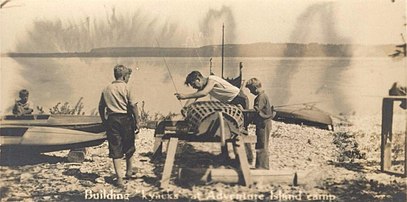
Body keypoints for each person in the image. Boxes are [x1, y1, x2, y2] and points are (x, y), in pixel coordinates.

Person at [99, 64, 140, 188]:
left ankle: (119, 178)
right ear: (124, 76)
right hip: (126, 119)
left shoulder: (106, 89)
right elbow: (133, 105)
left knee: (115, 148)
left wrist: (104, 120)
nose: (129, 78)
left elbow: (101, 107)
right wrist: (137, 121)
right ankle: (128, 171)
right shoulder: (127, 88)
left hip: (112, 119)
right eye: (128, 76)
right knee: (129, 145)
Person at [175, 71, 249, 110]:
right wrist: (185, 107)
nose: (193, 87)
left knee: (244, 123)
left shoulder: (212, 80)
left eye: (193, 84)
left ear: (198, 79)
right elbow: (194, 96)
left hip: (239, 98)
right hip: (231, 102)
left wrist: (184, 96)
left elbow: (204, 93)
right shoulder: (205, 85)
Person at [245, 78, 274, 169]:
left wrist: (244, 111)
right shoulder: (262, 96)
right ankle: (260, 165)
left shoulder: (261, 97)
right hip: (262, 123)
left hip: (263, 124)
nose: (250, 92)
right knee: (260, 143)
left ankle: (263, 166)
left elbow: (256, 110)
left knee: (262, 144)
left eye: (250, 89)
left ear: (255, 88)